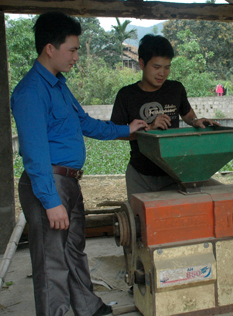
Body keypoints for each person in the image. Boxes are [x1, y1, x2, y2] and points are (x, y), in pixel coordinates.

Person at [10, 11, 149, 316]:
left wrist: (126, 130)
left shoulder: (59, 86)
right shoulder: (31, 91)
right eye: (72, 49)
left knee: (74, 250)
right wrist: (49, 201)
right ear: (50, 48)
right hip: (49, 183)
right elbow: (34, 153)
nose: (76, 56)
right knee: (51, 261)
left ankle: (87, 306)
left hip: (68, 182)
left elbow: (85, 123)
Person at [110, 34, 219, 201]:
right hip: (140, 174)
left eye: (167, 67)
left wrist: (195, 121)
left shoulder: (175, 89)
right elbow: (116, 132)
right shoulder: (126, 95)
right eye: (156, 67)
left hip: (173, 171)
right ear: (141, 64)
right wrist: (150, 129)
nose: (162, 73)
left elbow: (188, 114)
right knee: (140, 221)